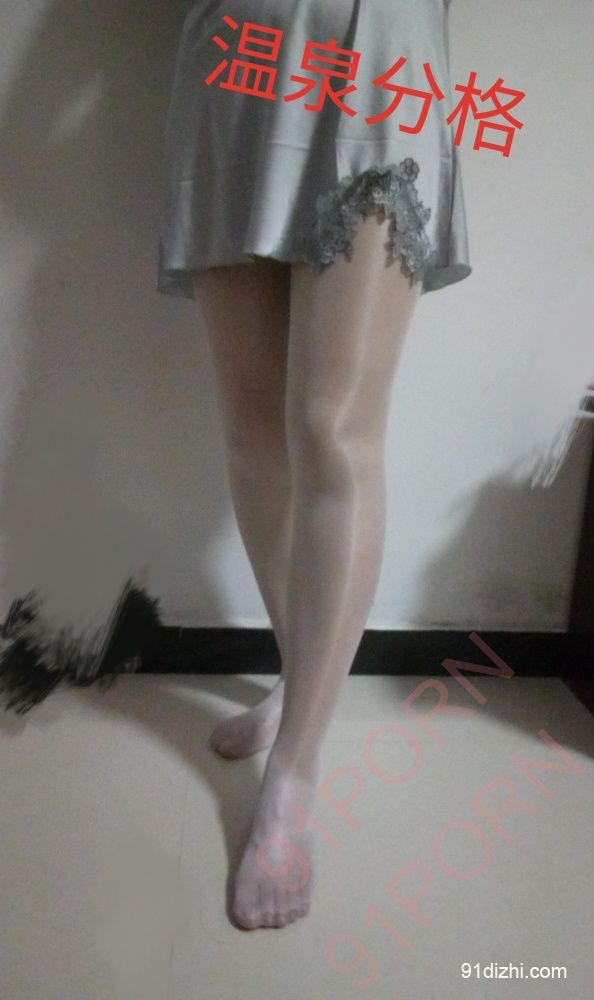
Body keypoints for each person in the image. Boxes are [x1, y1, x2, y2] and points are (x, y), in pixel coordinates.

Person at [157, 0, 471, 930]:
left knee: (331, 429)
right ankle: (301, 683)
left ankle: (293, 772)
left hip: (372, 53)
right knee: (253, 431)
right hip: (230, 63)